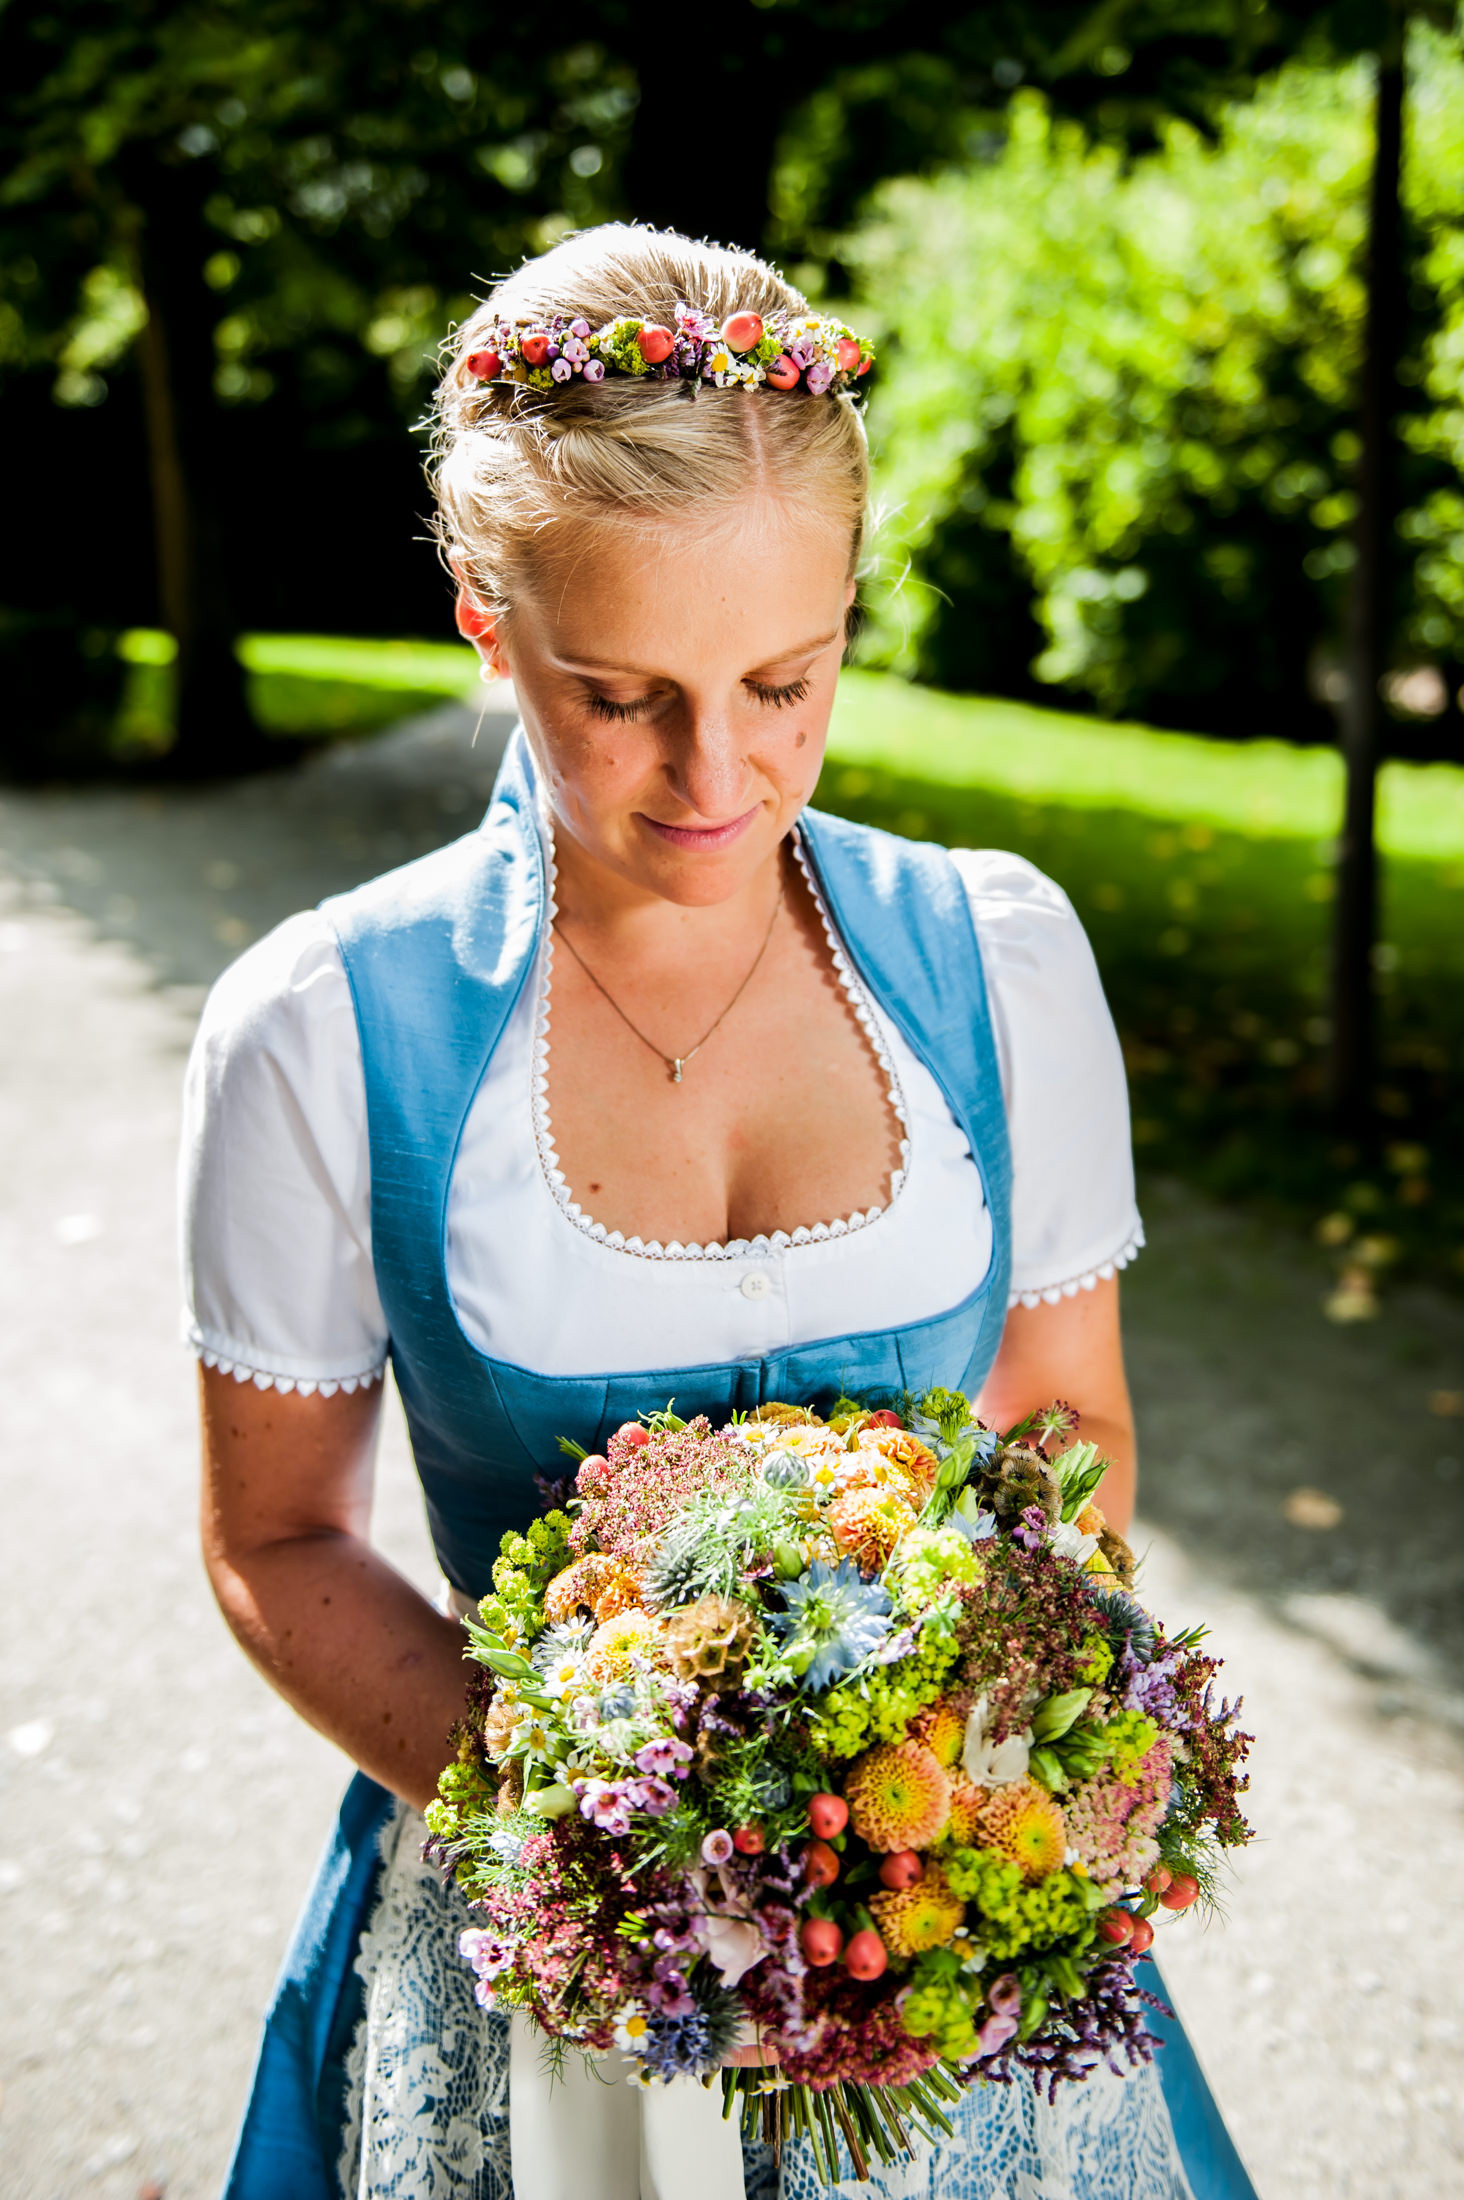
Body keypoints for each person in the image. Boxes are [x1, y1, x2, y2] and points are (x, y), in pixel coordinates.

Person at [182, 224, 1255, 2200]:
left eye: (785, 679)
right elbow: (276, 1529)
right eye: (621, 692)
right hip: (549, 1946)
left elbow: (1068, 1412)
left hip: (932, 1941)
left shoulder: (999, 959)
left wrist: (929, 1782)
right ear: (485, 625)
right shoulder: (320, 1029)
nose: (717, 772)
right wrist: (599, 1842)